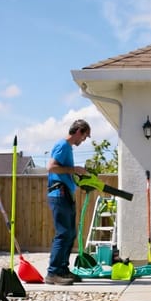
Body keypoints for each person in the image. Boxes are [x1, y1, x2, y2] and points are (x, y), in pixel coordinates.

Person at [46, 119, 90, 285]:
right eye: (84, 136)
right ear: (78, 131)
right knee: (63, 233)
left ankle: (63, 269)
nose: (83, 140)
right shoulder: (63, 145)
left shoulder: (67, 148)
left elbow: (62, 170)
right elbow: (51, 167)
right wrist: (74, 169)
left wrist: (76, 176)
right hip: (59, 193)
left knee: (70, 233)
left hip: (66, 194)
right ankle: (53, 272)